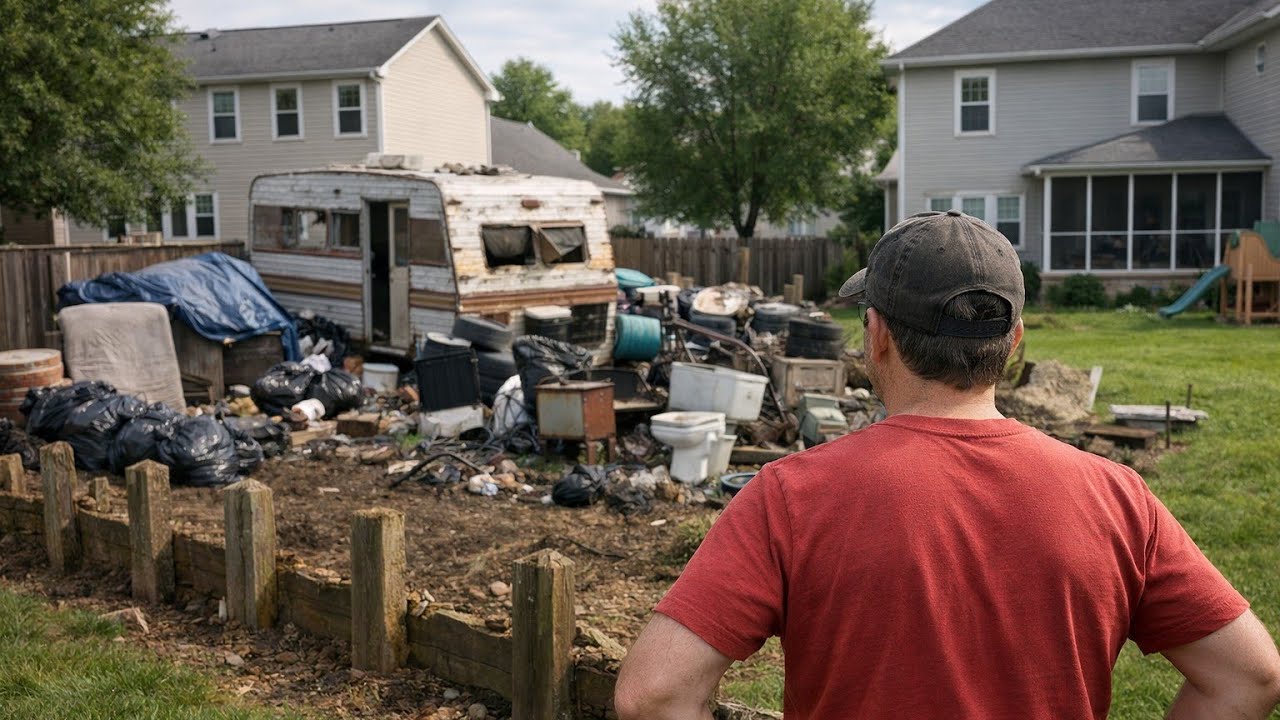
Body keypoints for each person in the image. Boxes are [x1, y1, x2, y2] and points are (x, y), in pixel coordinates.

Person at [614, 210, 1280, 719]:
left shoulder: (790, 496)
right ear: (1013, 341)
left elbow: (654, 693)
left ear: (876, 337)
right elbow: (1248, 676)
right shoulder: (1116, 497)